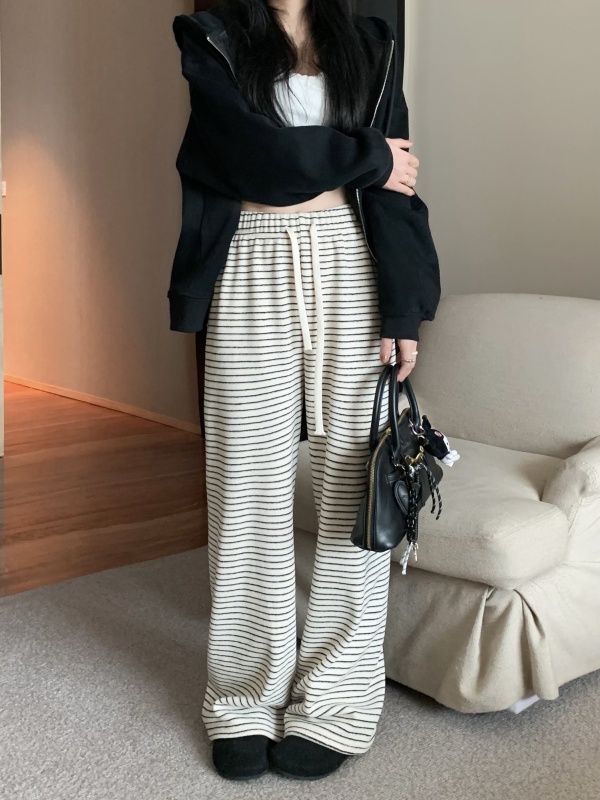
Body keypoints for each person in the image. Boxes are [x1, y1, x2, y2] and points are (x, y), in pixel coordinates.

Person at [170, 0, 441, 782]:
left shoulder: (371, 45)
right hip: (250, 259)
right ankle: (243, 699)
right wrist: (367, 156)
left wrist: (403, 309)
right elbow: (250, 160)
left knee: (356, 482)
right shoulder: (211, 39)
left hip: (352, 264)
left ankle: (337, 704)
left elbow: (398, 187)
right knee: (245, 485)